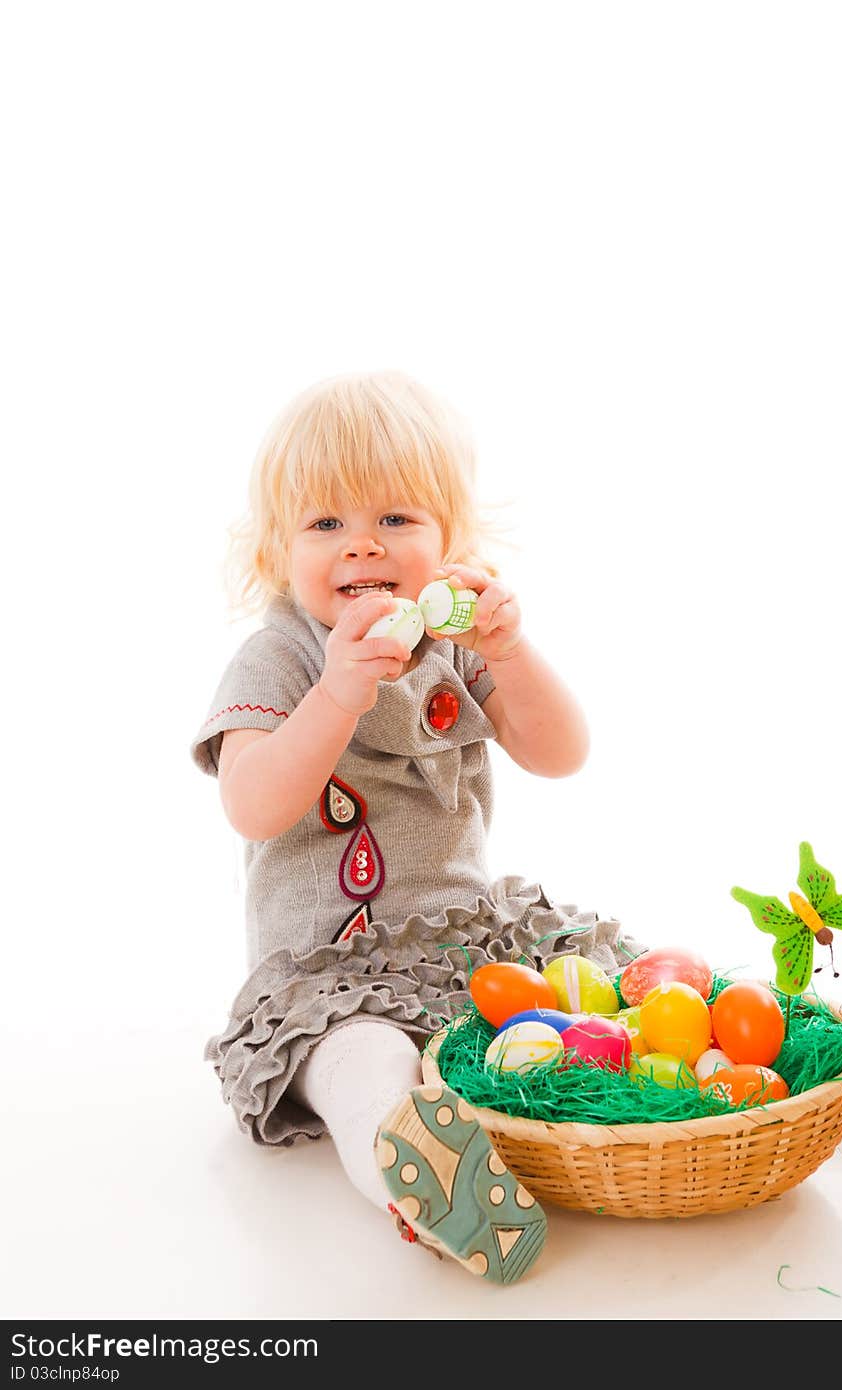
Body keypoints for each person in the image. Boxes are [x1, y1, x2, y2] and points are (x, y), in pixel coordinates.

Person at [191, 370, 642, 1283]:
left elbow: (561, 752)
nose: (361, 544)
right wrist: (336, 692)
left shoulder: (452, 646)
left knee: (600, 985)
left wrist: (510, 654)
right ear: (278, 552)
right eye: (326, 524)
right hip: (332, 971)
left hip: (470, 942)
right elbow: (253, 802)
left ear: (449, 543)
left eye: (395, 519)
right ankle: (417, 1170)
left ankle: (689, 1085)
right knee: (363, 1066)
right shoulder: (278, 658)